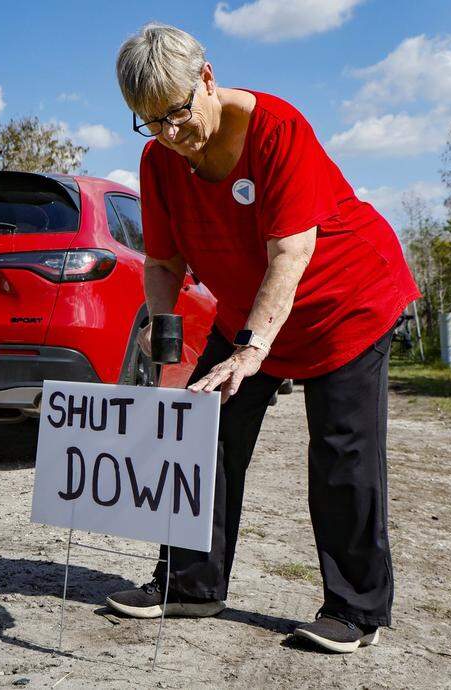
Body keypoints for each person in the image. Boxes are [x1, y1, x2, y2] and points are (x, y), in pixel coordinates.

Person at [104, 24, 421, 654]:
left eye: (176, 112)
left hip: (343, 303)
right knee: (205, 434)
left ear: (207, 78)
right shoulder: (159, 159)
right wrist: (164, 331)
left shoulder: (276, 127)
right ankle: (189, 585)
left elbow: (291, 248)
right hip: (247, 309)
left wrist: (253, 350)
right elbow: (164, 264)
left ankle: (354, 610)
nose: (170, 133)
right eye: (148, 121)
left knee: (341, 451)